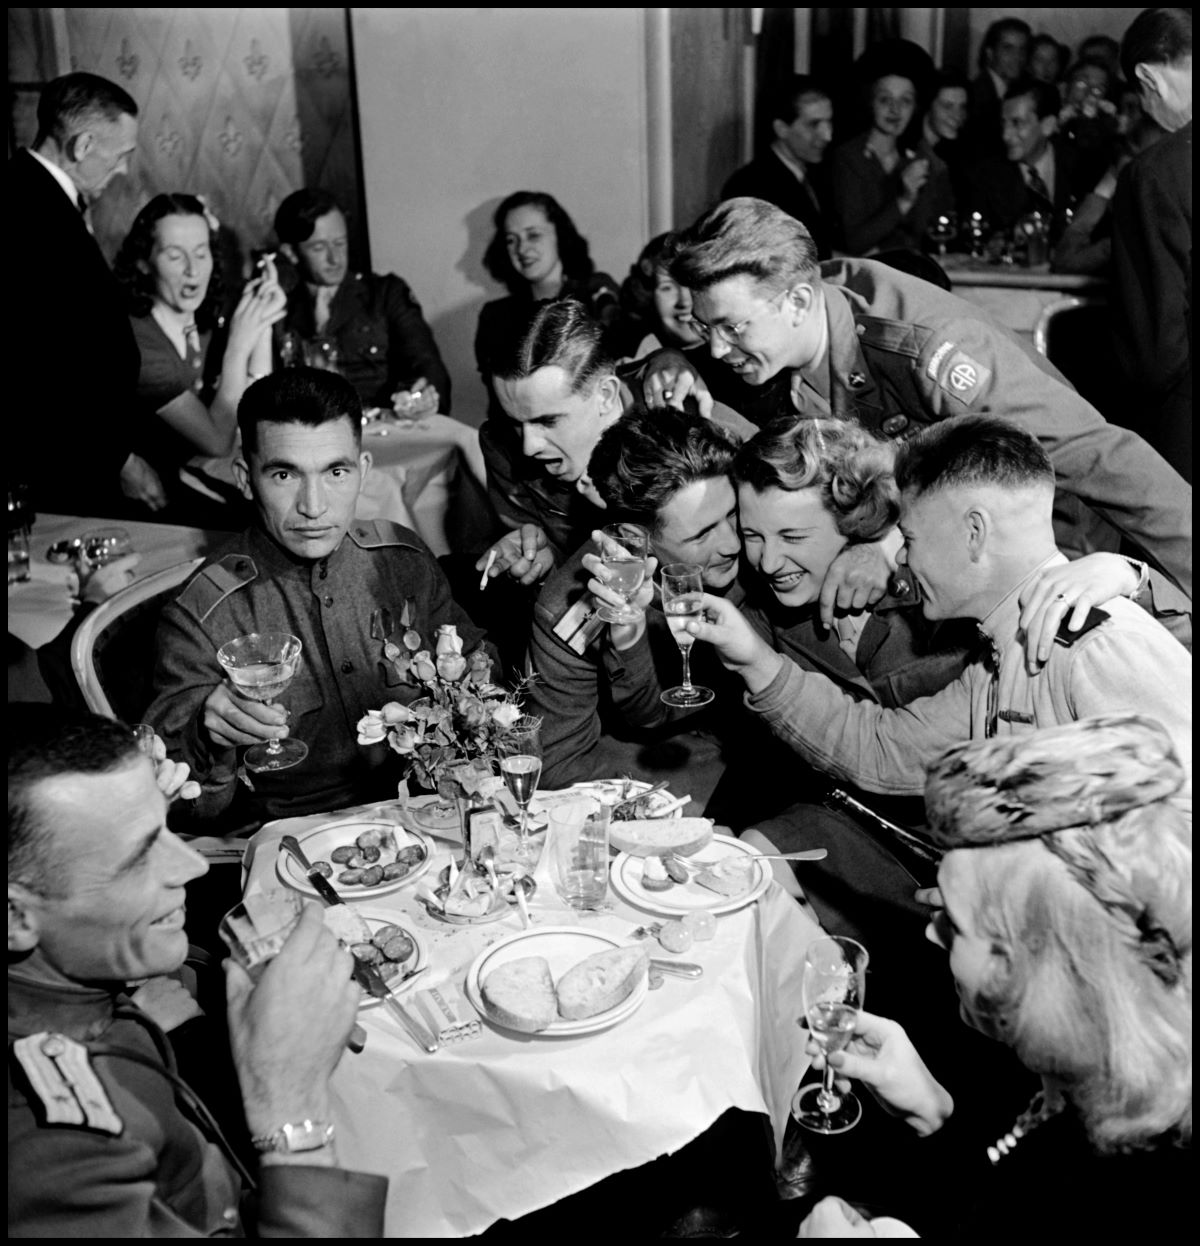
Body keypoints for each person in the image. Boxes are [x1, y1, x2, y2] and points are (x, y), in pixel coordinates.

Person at [666, 196, 1193, 599]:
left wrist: (887, 542)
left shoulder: (926, 348)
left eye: (731, 329)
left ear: (799, 301)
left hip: (1046, 549)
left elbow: (1103, 458)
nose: (716, 347)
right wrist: (669, 363)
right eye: (704, 327)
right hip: (940, 542)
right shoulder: (783, 317)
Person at [797, 714, 1191, 1238]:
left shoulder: (1132, 1187)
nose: (933, 936)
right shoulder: (1083, 1073)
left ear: (1039, 970)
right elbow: (997, 1176)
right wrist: (932, 1112)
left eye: (955, 925)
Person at [684, 416, 1192, 812]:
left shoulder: (1094, 646)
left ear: (974, 533)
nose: (899, 557)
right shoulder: (1003, 654)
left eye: (910, 539)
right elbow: (882, 749)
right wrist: (753, 660)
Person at [8, 706, 387, 1236]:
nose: (194, 865)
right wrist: (289, 1105)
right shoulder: (49, 1154)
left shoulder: (69, 983)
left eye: (164, 827)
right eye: (139, 858)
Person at [143, 367, 488, 828]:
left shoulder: (402, 560)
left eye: (336, 471)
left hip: (424, 821)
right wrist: (211, 735)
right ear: (246, 479)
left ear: (363, 471)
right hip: (290, 849)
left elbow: (478, 670)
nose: (314, 505)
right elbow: (182, 807)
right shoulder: (203, 614)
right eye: (284, 474)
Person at [528, 404, 745, 788]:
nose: (732, 544)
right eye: (702, 534)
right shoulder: (570, 605)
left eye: (734, 515)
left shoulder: (764, 533)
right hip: (683, 764)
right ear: (639, 536)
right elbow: (559, 765)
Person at [476, 298, 756, 591]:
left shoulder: (702, 426)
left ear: (606, 395)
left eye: (548, 421)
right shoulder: (502, 448)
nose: (528, 447)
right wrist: (546, 566)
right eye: (514, 422)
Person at [10, 72, 142, 518]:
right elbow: (45, 357)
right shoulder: (30, 208)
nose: (124, 169)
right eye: (121, 154)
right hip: (61, 469)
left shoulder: (40, 195)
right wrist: (115, 456)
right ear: (82, 146)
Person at [113, 193, 287, 525]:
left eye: (201, 252)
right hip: (150, 507)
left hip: (203, 484)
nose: (193, 270)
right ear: (143, 262)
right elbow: (218, 440)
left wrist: (262, 322)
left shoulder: (206, 322)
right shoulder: (138, 341)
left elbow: (258, 410)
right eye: (175, 256)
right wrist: (239, 344)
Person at [274, 188, 451, 415]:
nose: (334, 258)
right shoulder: (280, 308)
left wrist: (423, 395)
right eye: (319, 248)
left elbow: (427, 366)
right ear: (291, 252)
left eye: (340, 243)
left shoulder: (385, 294)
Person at [1112, 7, 1192, 482]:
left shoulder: (1157, 173)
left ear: (1149, 78)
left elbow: (1155, 352)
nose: (1146, 112)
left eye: (1140, 96)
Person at [474, 191, 620, 422]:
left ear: (560, 236)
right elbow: (499, 411)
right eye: (511, 240)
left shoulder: (597, 297)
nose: (521, 249)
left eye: (533, 235)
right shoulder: (495, 317)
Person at [831, 62, 956, 256]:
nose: (895, 110)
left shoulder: (919, 159)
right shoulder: (849, 158)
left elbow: (929, 234)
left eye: (905, 101)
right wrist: (905, 200)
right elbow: (855, 242)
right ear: (870, 102)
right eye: (884, 100)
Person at [965, 77, 1096, 243]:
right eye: (1004, 123)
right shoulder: (986, 175)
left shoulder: (1082, 169)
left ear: (1047, 125)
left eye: (1017, 123)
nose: (1006, 135)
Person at [721, 76, 837, 259]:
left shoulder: (817, 175)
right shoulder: (750, 185)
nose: (827, 135)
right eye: (814, 124)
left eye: (828, 122)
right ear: (782, 128)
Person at [969, 18, 1031, 157]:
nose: (1017, 57)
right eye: (1008, 49)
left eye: (1022, 50)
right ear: (990, 53)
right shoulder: (976, 96)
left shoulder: (1021, 91)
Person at [920, 70, 972, 217]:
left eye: (962, 107)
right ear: (929, 105)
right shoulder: (906, 144)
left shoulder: (963, 148)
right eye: (947, 106)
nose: (957, 116)